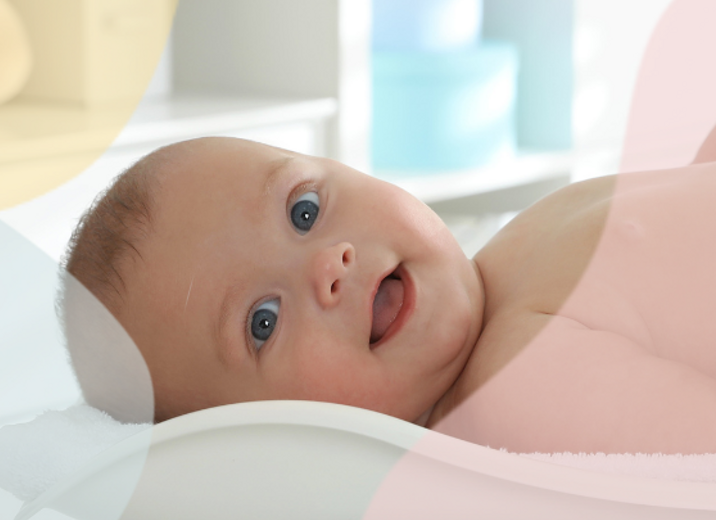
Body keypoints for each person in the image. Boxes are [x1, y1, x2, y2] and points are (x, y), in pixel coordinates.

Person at [61, 131, 716, 455]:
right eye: (262, 321)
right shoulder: (514, 385)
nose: (329, 265)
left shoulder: (505, 258)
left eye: (304, 210)